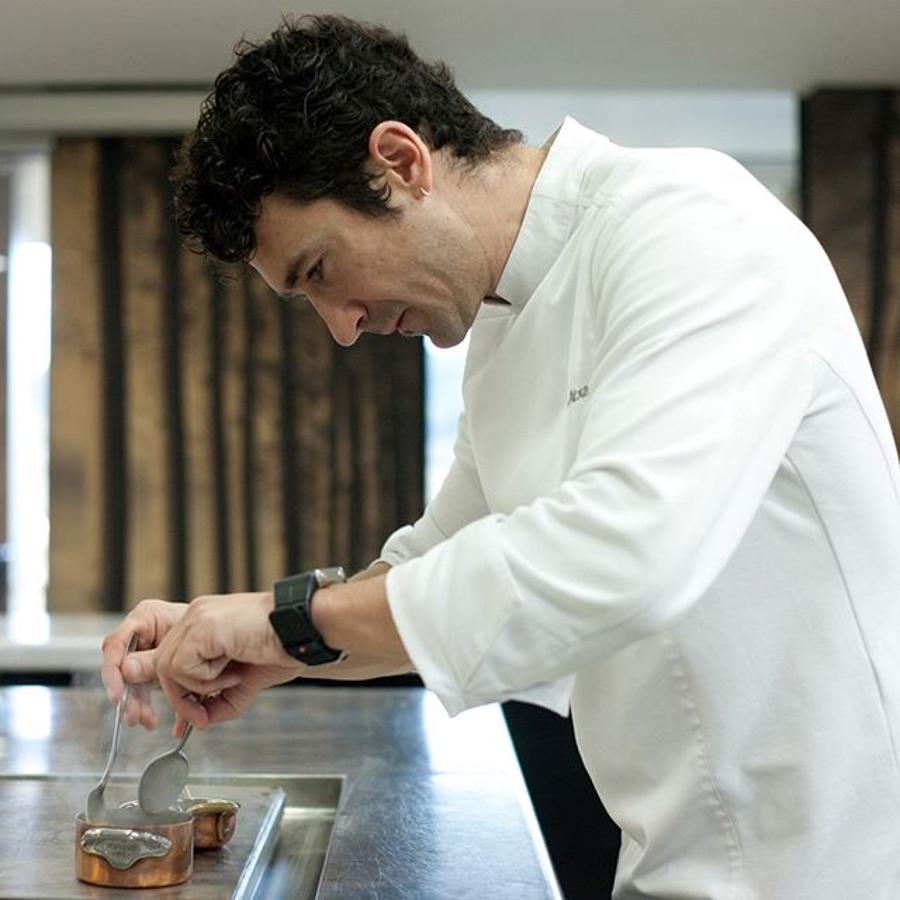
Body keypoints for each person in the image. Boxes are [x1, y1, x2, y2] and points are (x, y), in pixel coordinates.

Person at [101, 14, 900, 899]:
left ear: (400, 163)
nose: (341, 329)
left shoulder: (690, 224)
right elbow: (437, 559)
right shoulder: (503, 331)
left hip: (844, 868)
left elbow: (622, 553)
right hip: (676, 864)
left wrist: (286, 622)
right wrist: (271, 639)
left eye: (320, 269)